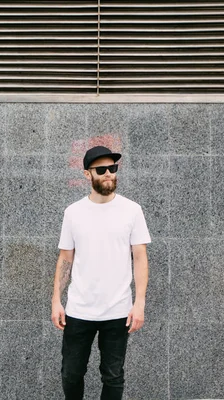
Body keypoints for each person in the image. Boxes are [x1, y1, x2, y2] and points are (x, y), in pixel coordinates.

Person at [51, 145, 151, 400]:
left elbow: (139, 257)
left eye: (113, 168)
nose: (109, 173)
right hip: (79, 309)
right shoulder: (73, 213)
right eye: (102, 169)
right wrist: (56, 301)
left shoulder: (132, 210)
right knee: (71, 373)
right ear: (87, 175)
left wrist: (139, 303)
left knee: (113, 375)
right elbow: (65, 259)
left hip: (118, 310)